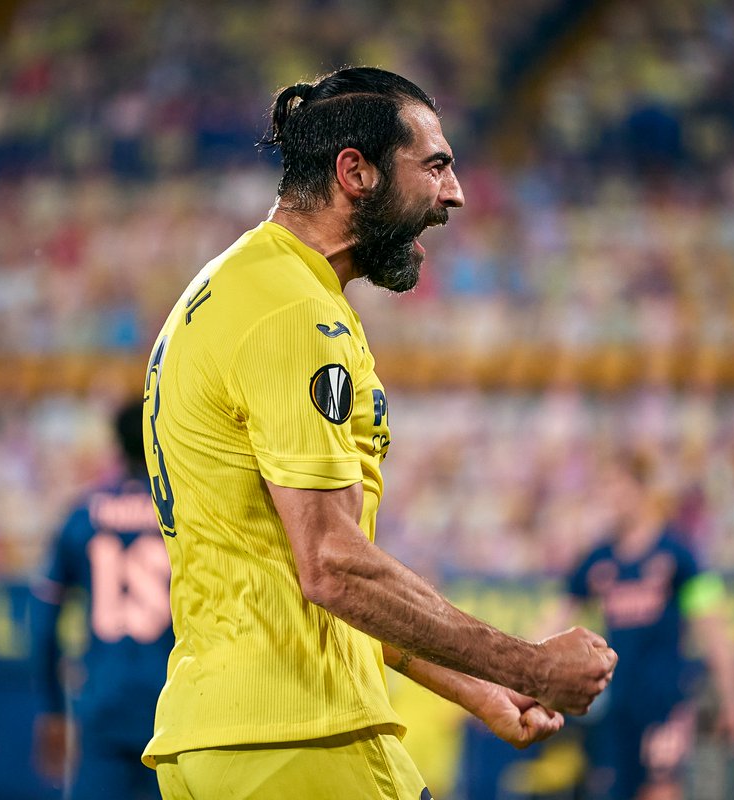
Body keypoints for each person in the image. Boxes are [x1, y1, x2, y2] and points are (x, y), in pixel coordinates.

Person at [139, 66, 617, 799]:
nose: (454, 193)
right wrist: (530, 666)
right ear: (355, 173)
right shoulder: (293, 313)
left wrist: (479, 687)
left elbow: (308, 572)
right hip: (303, 738)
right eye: (435, 166)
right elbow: (332, 566)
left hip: (219, 744)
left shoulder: (233, 288)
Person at [560, 452, 734, 800]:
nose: (607, 496)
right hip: (617, 707)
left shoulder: (677, 554)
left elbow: (716, 632)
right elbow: (554, 620)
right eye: (603, 487)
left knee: (662, 790)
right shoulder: (597, 559)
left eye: (614, 485)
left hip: (666, 705)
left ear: (640, 488)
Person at [30, 401, 173, 800]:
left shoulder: (82, 515)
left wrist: (52, 709)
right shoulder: (185, 510)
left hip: (103, 699)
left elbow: (42, 624)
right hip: (174, 701)